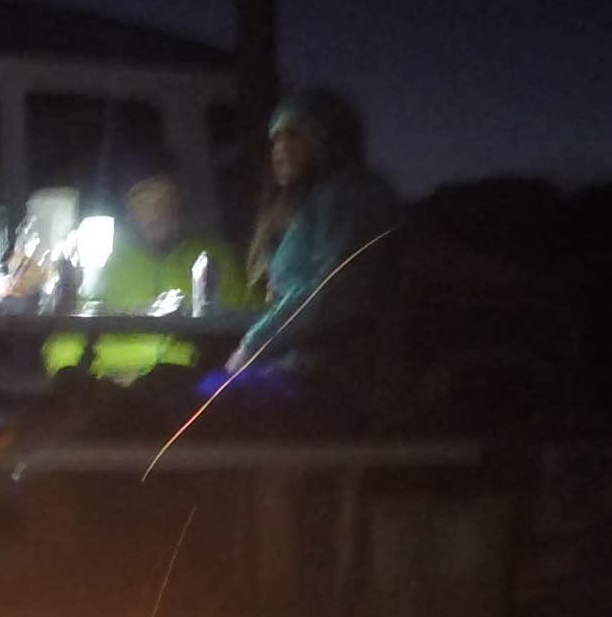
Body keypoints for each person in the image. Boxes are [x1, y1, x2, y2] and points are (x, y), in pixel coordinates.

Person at [234, 88, 405, 407]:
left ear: (328, 139)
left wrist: (253, 344)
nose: (280, 149)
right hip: (300, 365)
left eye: (294, 136)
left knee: (200, 397)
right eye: (276, 139)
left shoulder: (352, 194)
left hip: (339, 373)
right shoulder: (313, 199)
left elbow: (332, 290)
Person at [43, 170, 250, 388]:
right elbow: (63, 339)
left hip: (182, 387)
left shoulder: (213, 256)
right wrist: (87, 378)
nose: (156, 211)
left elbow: (244, 330)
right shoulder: (102, 260)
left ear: (179, 201)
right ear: (129, 207)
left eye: (164, 198)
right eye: (143, 199)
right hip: (106, 387)